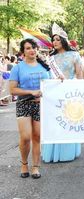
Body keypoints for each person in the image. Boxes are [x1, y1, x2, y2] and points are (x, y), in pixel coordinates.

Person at [9, 39, 51, 179]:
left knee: (37, 136)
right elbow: (12, 90)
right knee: (26, 137)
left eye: (33, 47)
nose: (32, 50)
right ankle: (24, 163)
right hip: (24, 104)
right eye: (28, 48)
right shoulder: (18, 68)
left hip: (41, 105)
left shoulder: (45, 66)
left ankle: (35, 167)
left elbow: (51, 86)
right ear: (23, 52)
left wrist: (44, 96)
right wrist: (31, 92)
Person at [41, 23, 83, 163]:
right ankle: (52, 153)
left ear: (64, 40)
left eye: (58, 39)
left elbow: (79, 75)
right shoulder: (50, 58)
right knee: (54, 122)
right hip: (53, 93)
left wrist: (76, 90)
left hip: (69, 93)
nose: (55, 42)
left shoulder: (74, 55)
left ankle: (66, 153)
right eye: (53, 40)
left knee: (67, 121)